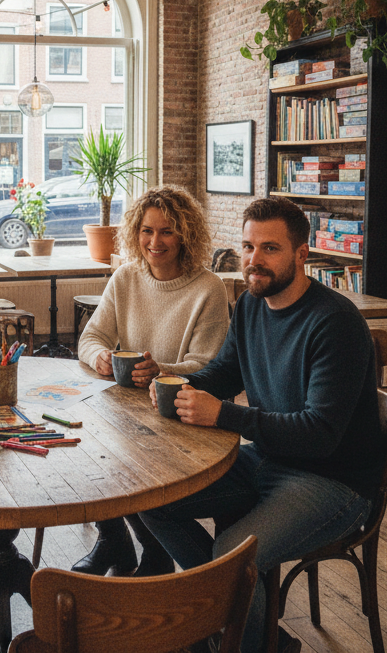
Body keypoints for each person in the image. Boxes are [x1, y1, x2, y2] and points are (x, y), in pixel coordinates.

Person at [139, 197, 385, 653]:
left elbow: (319, 433)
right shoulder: (252, 306)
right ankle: (242, 633)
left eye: (270, 248)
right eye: (249, 247)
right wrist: (173, 383)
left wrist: (224, 414)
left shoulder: (336, 323)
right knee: (151, 497)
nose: (254, 260)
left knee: (231, 554)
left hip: (335, 483)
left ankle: (233, 637)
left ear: (301, 254)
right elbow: (223, 374)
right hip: (267, 461)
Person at [72, 185, 230, 577]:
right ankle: (114, 541)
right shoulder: (126, 277)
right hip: (127, 409)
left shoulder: (209, 288)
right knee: (84, 447)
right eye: (146, 231)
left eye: (167, 231)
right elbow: (91, 338)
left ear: (185, 235)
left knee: (126, 469)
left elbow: (210, 364)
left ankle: (151, 552)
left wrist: (164, 370)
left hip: (179, 415)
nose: (154, 241)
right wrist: (100, 356)